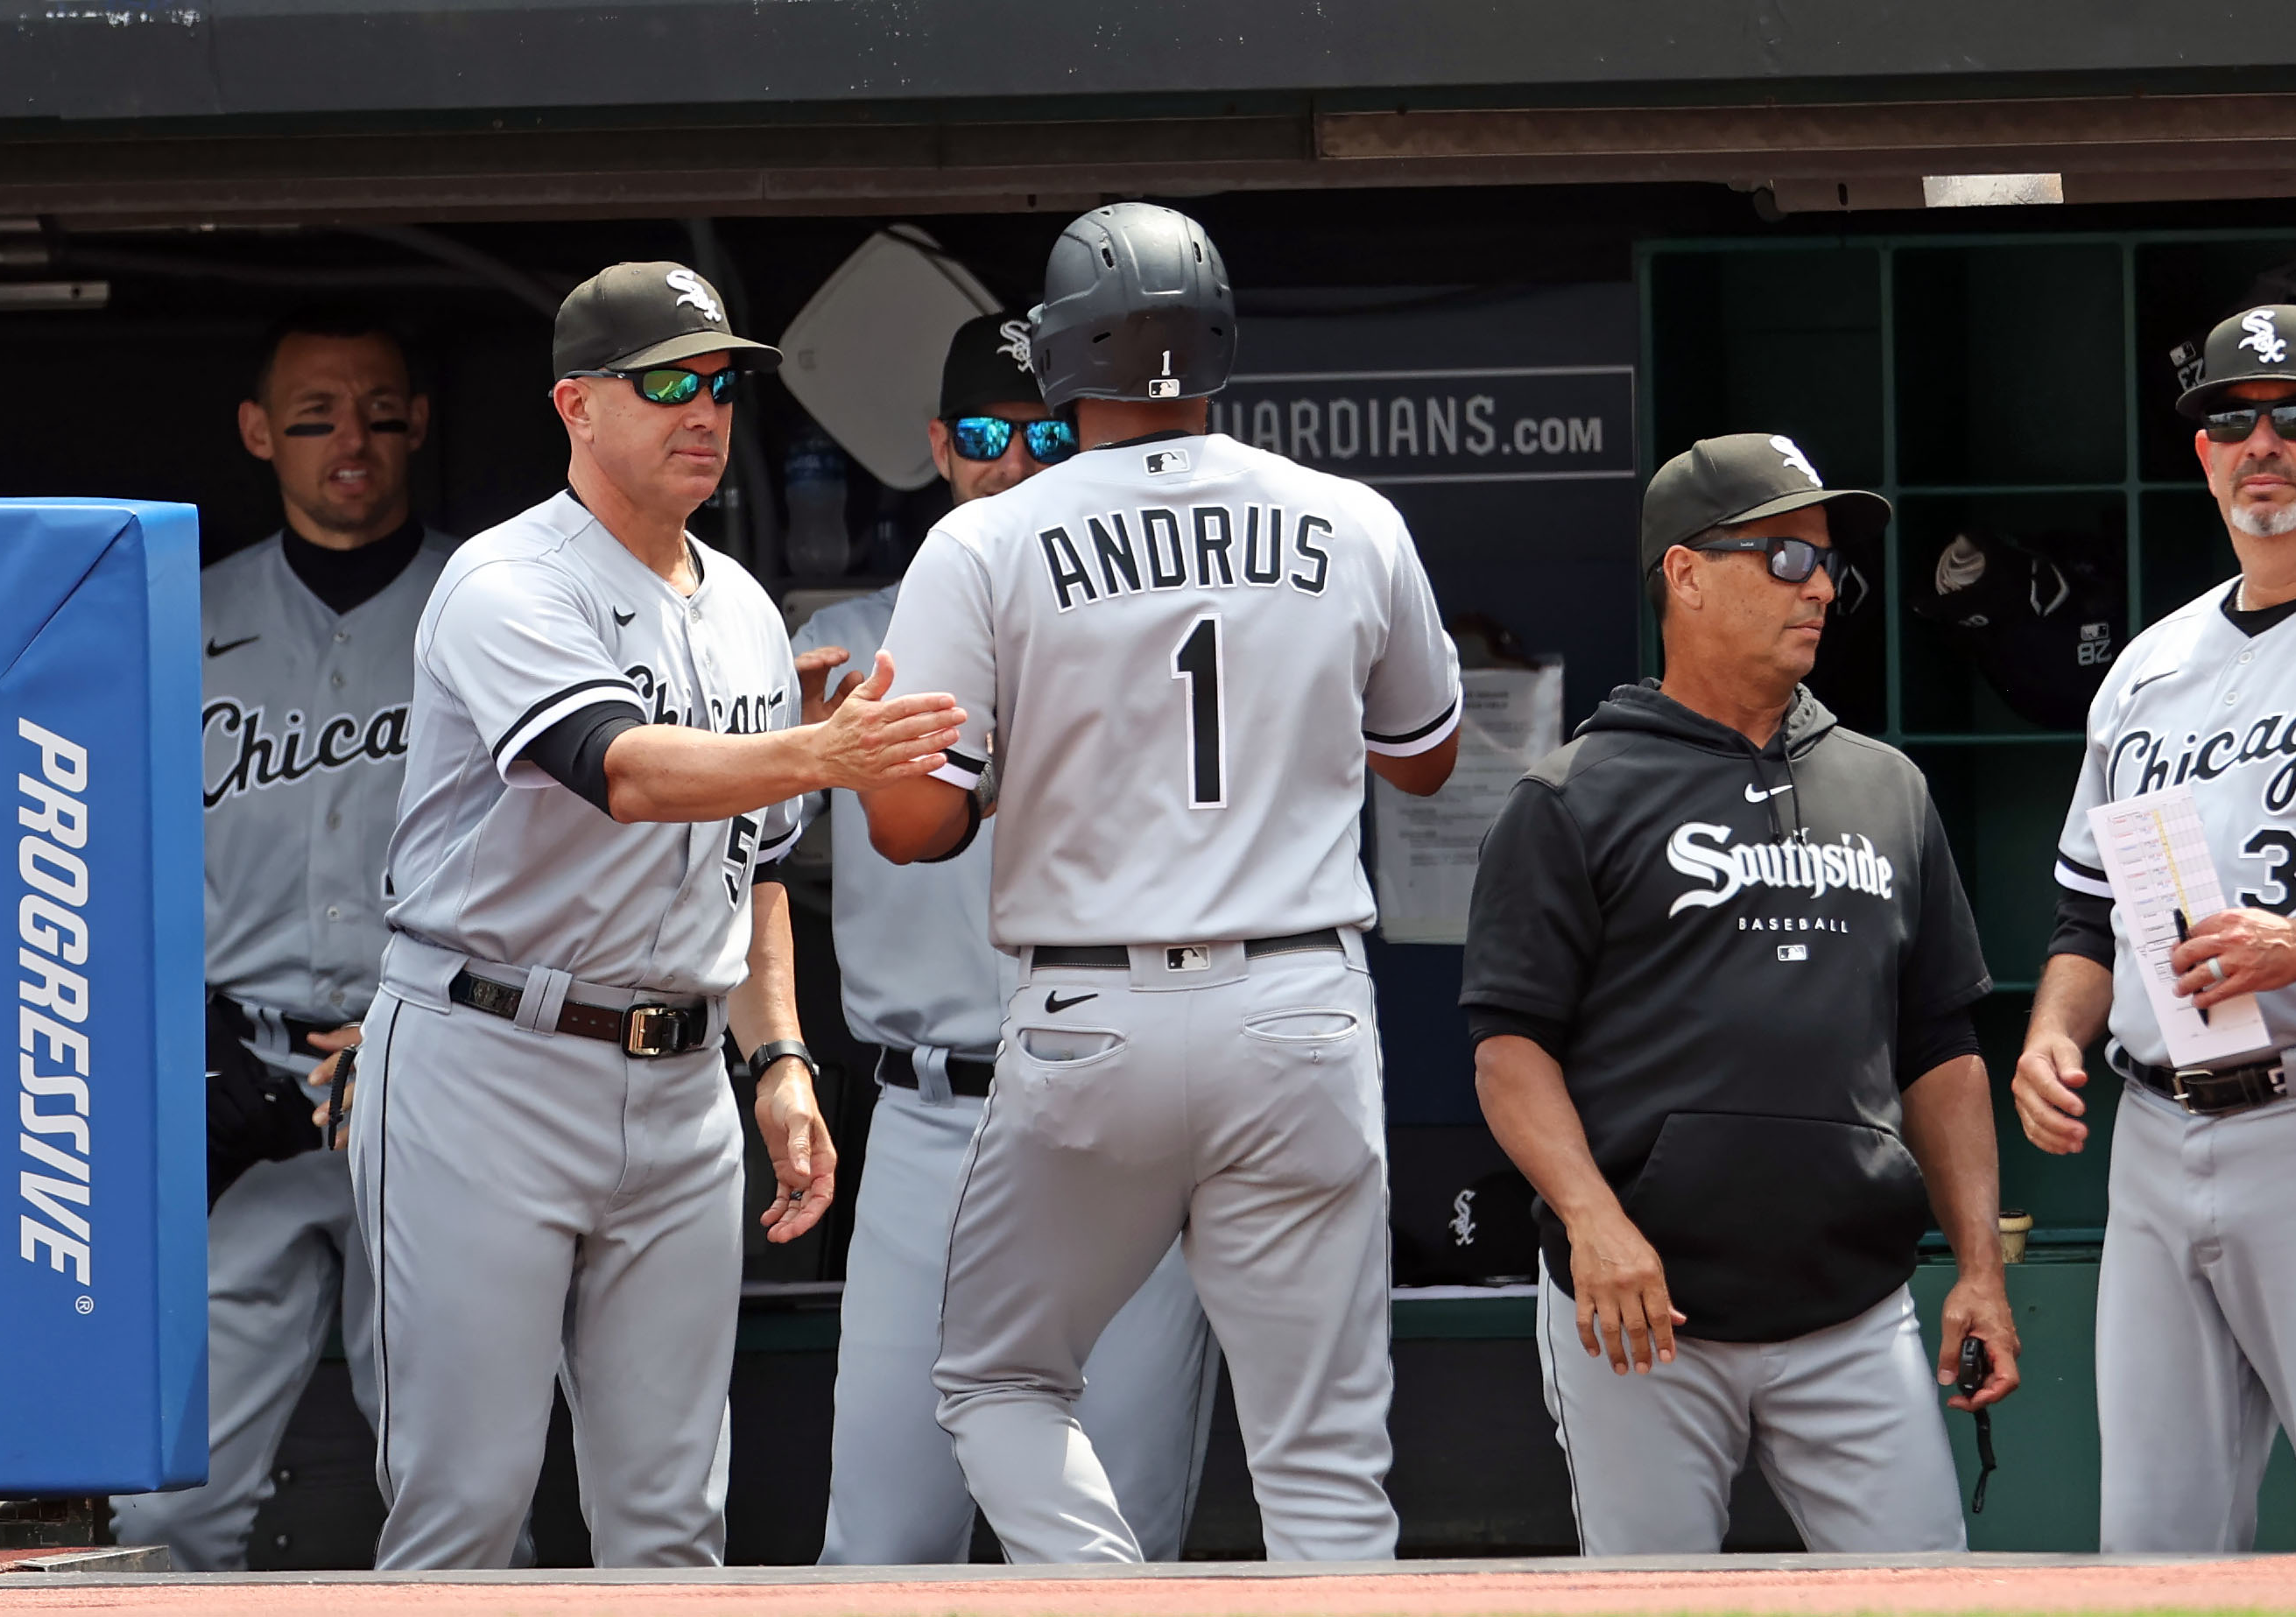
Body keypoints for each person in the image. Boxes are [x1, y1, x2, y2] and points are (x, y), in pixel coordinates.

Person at [863, 204, 1463, 1564]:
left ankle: (1108, 1594)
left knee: (1002, 1379)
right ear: (1217, 347)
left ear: (1062, 357)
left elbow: (910, 826)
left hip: (1092, 1013)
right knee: (1322, 1458)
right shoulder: (1350, 517)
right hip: (1301, 1005)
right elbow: (1424, 763)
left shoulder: (985, 542)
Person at [344, 261, 968, 1569]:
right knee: (466, 1499)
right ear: (576, 403)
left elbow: (754, 867)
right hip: (489, 1055)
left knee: (674, 1519)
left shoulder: (741, 606)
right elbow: (621, 770)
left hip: (681, 1077)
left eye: (721, 382)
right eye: (667, 381)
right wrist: (822, 751)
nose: (704, 409)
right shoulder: (510, 579)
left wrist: (783, 1056)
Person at [1462, 432, 2020, 1555]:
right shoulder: (1569, 795)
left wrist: (1974, 1270)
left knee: (1927, 1592)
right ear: (1683, 571)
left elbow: (1941, 1047)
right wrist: (1594, 1222)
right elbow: (1507, 1049)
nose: (1817, 585)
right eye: (1781, 557)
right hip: (1642, 1308)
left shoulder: (1886, 786)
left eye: (1825, 565)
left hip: (1851, 1304)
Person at [2017, 304, 2296, 1550]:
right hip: (2158, 1128)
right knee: (2149, 1541)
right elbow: (2085, 909)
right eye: (2230, 419)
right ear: (2206, 456)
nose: (2260, 442)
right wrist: (2054, 1033)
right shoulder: (2147, 670)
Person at [795, 313, 1219, 1565]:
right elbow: (748, 862)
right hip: (931, 1113)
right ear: (938, 443)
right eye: (987, 433)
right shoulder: (845, 637)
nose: (1017, 459)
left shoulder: (1180, 621)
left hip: (1123, 1096)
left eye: (1046, 432)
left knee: (1117, 1535)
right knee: (885, 1538)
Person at [111, 307, 454, 1570]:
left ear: (419, 420)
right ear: (260, 433)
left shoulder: (492, 605)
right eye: (313, 416)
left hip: (431, 1073)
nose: (347, 440)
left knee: (459, 1486)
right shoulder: (168, 619)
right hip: (236, 1087)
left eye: (374, 410)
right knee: (168, 1503)